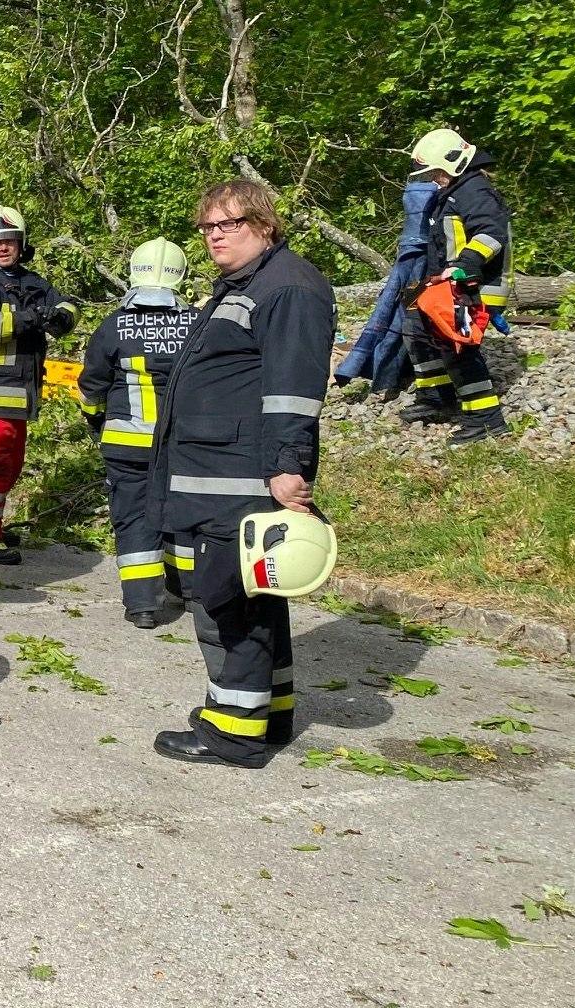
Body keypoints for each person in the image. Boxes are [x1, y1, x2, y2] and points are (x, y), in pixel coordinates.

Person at [150, 179, 333, 770]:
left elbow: (293, 391)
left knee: (226, 604)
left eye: (228, 224)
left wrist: (287, 466)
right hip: (215, 473)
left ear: (264, 224)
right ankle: (267, 713)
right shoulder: (248, 284)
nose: (214, 236)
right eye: (207, 227)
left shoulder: (289, 287)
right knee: (252, 600)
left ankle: (230, 733)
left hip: (238, 482)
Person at [79, 238, 197, 630]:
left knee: (132, 518)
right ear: (181, 275)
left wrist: (95, 420)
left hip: (126, 445)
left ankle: (143, 605)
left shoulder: (115, 325)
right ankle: (191, 592)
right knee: (184, 516)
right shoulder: (197, 323)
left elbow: (91, 385)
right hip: (182, 445)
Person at [0, 206, 77, 565]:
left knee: (11, 464)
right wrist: (32, 317)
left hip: (19, 394)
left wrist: (63, 316)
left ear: (22, 245)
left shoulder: (34, 282)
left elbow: (66, 304)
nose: (3, 248)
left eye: (9, 241)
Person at [399, 127, 513, 445]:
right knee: (412, 319)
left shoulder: (474, 191)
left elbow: (491, 235)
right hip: (448, 283)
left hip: (472, 285)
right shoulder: (454, 191)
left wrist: (464, 268)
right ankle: (438, 397)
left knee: (458, 346)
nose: (434, 179)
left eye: (437, 172)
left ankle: (486, 419)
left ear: (455, 163)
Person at [333, 170, 439, 400]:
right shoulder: (443, 203)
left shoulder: (434, 209)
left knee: (410, 323)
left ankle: (428, 390)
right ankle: (425, 386)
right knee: (410, 323)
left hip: (428, 277)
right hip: (430, 275)